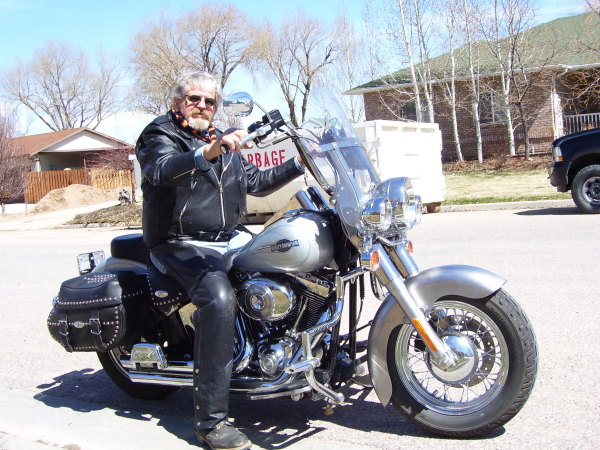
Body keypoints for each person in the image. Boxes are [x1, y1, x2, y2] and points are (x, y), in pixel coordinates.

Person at [136, 71, 304, 450]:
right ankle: (211, 422)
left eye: (209, 101)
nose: (202, 106)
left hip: (227, 237)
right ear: (178, 102)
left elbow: (256, 182)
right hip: (178, 242)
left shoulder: (220, 139)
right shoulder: (159, 133)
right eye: (194, 99)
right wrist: (207, 153)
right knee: (219, 299)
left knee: (286, 265)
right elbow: (161, 170)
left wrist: (301, 163)